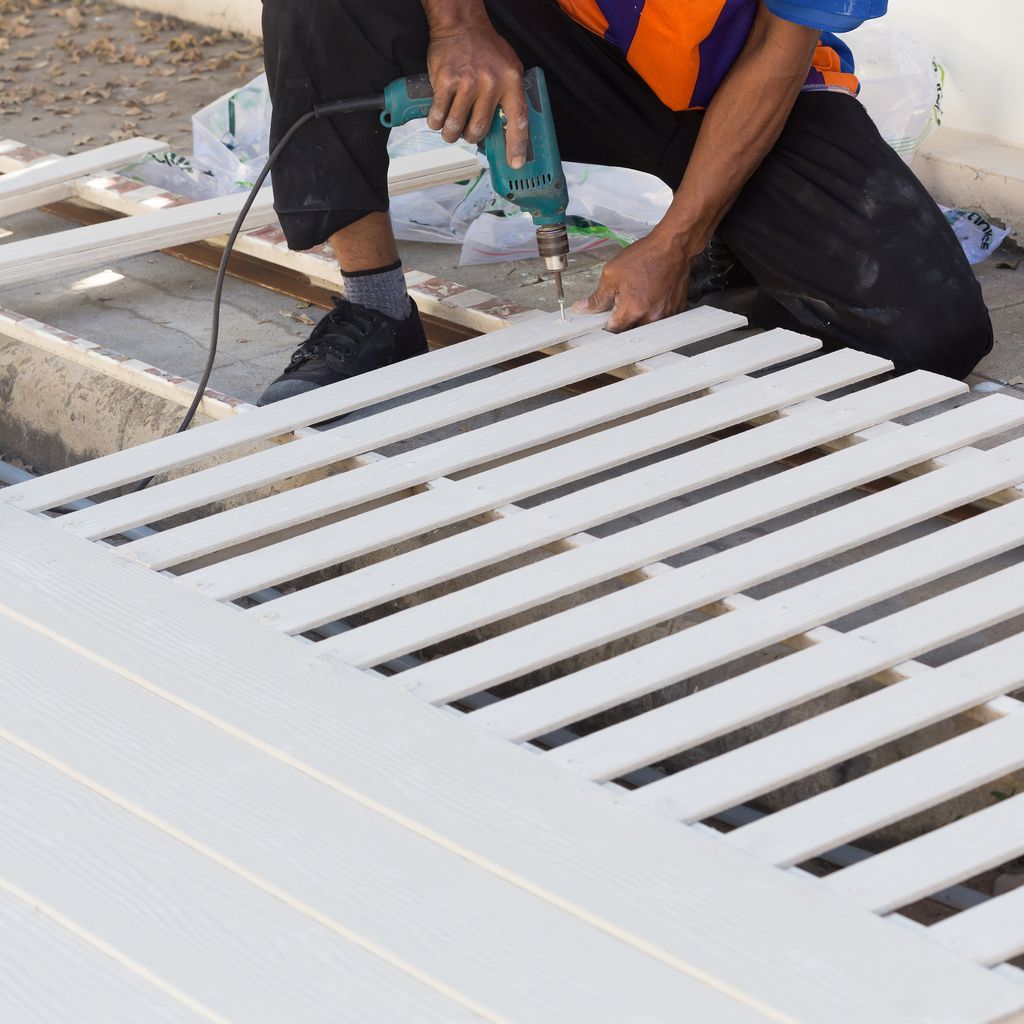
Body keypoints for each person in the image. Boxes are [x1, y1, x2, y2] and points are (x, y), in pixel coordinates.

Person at [257, 0, 993, 405]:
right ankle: (376, 309)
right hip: (558, 35)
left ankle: (722, 258)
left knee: (933, 334)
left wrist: (674, 240)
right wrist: (461, 26)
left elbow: (779, 45)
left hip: (737, 84)